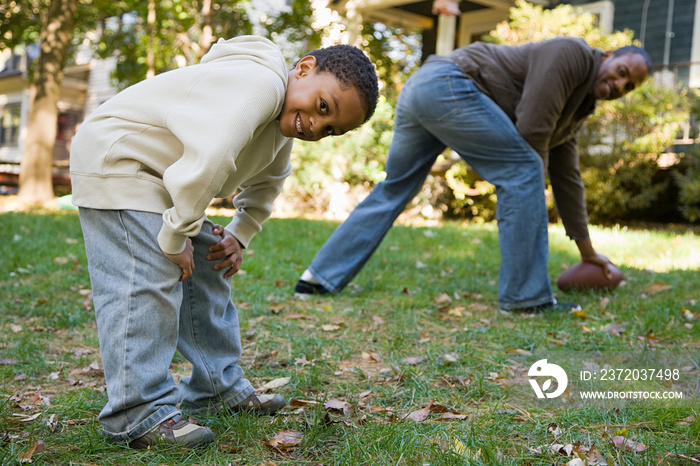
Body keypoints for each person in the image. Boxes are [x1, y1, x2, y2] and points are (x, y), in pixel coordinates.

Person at [70, 35, 378, 449]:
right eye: (324, 107)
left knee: (211, 260)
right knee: (147, 277)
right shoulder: (258, 84)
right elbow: (211, 158)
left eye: (331, 129)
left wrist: (239, 233)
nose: (318, 126)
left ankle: (215, 387)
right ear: (304, 69)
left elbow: (270, 182)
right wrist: (176, 234)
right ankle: (136, 410)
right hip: (119, 160)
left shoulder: (279, 127)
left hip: (160, 179)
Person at [294, 37, 651, 313]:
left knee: (394, 189)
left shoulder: (577, 108)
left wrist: (588, 252)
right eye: (622, 72)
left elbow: (568, 178)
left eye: (629, 87)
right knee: (524, 168)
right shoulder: (572, 53)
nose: (621, 86)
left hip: (424, 88)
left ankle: (318, 279)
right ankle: (526, 299)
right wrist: (528, 183)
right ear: (607, 56)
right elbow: (531, 130)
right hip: (448, 84)